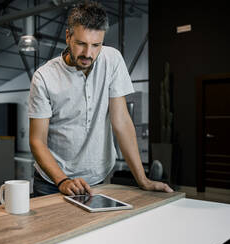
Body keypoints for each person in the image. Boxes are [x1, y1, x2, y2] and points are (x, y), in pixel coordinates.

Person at [28, 1, 173, 196]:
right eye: (81, 44)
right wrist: (62, 180)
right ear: (68, 36)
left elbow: (121, 121)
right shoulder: (44, 77)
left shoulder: (112, 60)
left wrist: (143, 180)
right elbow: (37, 141)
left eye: (96, 45)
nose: (88, 53)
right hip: (52, 182)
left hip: (96, 179)